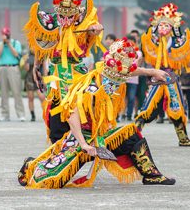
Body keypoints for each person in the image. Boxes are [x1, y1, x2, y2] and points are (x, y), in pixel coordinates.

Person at [18, 39, 175, 188]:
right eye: (116, 79)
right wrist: (84, 144)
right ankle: (32, 164)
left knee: (131, 134)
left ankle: (151, 175)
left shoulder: (107, 70)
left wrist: (153, 71)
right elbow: (72, 115)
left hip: (99, 135)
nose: (118, 82)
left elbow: (128, 71)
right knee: (51, 180)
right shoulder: (91, 88)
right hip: (79, 139)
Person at [25, 0, 104, 143]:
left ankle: (87, 142)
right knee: (56, 113)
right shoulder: (50, 21)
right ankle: (57, 149)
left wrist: (94, 30)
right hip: (56, 74)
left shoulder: (85, 20)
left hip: (77, 72)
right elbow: (43, 47)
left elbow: (94, 31)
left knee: (87, 104)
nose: (66, 5)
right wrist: (36, 66)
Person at [136, 3, 190, 147]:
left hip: (172, 79)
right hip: (156, 77)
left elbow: (184, 61)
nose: (163, 27)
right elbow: (142, 56)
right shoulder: (151, 40)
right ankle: (133, 134)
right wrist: (134, 67)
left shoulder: (177, 43)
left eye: (166, 25)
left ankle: (183, 138)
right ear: (156, 26)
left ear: (173, 27)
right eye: (160, 25)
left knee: (177, 107)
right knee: (148, 107)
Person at [0, 27, 25, 121]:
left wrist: (9, 44)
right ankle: (5, 114)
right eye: (3, 34)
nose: (5, 36)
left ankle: (21, 114)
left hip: (13, 67)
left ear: (9, 34)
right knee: (4, 93)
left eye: (6, 34)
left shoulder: (16, 43)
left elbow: (16, 55)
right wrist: (3, 44)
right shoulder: (0, 44)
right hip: (2, 67)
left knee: (16, 92)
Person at [24, 51, 45, 122]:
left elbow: (44, 68)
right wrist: (26, 61)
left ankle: (45, 114)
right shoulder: (28, 56)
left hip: (38, 77)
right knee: (30, 97)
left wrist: (44, 78)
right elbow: (26, 69)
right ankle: (32, 115)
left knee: (42, 97)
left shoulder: (41, 55)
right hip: (29, 78)